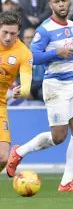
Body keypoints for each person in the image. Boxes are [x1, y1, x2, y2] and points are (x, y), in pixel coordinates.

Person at [6, 0, 73, 192]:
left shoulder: (72, 25)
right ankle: (19, 152)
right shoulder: (45, 29)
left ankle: (66, 182)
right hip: (55, 85)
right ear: (51, 5)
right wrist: (56, 52)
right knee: (58, 137)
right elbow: (32, 56)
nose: (61, 5)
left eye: (64, 1)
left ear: (68, 2)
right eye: (57, 2)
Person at [0, 11, 33, 174]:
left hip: (0, 105)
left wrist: (23, 91)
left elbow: (26, 84)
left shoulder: (24, 53)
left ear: (18, 32)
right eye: (4, 32)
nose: (8, 37)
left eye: (12, 34)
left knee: (3, 158)